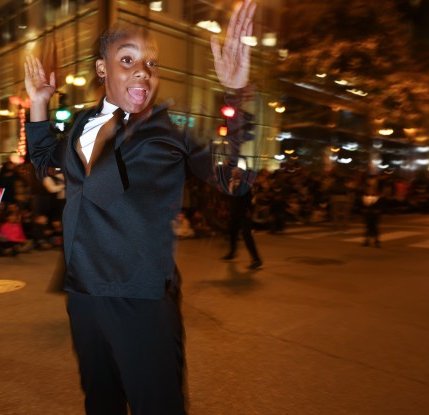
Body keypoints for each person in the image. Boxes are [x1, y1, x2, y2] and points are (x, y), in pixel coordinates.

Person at [23, 1, 256, 413]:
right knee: (101, 400)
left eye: (151, 63)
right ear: (102, 69)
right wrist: (39, 103)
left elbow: (231, 180)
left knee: (157, 404)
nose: (143, 72)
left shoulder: (170, 132)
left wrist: (235, 95)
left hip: (141, 296)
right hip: (84, 293)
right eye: (127, 59)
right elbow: (45, 159)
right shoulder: (82, 123)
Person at [221, 167, 262, 269]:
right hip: (234, 212)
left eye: (237, 173)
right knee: (232, 232)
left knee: (247, 235)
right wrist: (227, 209)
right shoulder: (231, 183)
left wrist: (249, 210)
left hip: (244, 213)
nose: (235, 174)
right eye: (234, 172)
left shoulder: (246, 184)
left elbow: (251, 199)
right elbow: (230, 198)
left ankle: (256, 259)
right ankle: (232, 252)